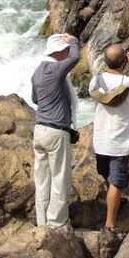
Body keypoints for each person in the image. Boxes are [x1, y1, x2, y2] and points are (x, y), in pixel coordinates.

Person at [89, 44, 129, 236]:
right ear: (125, 61)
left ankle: (113, 203)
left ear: (105, 61)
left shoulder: (96, 81)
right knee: (116, 182)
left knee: (108, 177)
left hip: (100, 140)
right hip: (119, 142)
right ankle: (110, 224)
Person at [31, 32, 79, 228]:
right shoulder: (55, 70)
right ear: (59, 52)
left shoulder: (37, 72)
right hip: (56, 131)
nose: (68, 54)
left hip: (39, 130)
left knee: (42, 180)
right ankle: (56, 223)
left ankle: (41, 222)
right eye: (65, 51)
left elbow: (35, 99)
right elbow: (75, 57)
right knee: (59, 179)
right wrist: (74, 41)